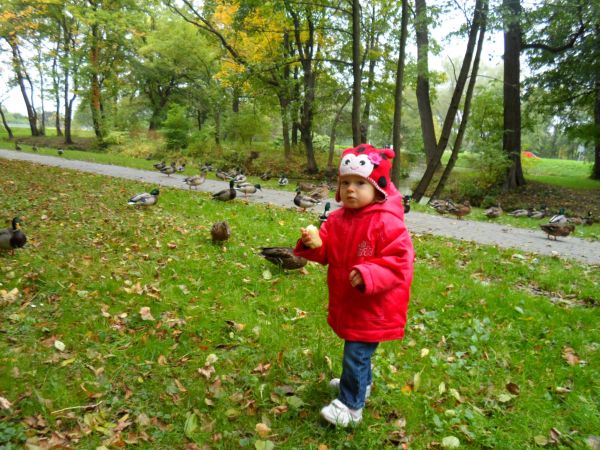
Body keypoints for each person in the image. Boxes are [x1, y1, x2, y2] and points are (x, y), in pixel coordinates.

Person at [294, 144, 415, 427]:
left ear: (378, 188)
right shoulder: (336, 220)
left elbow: (400, 261)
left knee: (356, 354)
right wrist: (315, 245)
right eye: (345, 182)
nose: (351, 189)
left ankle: (350, 406)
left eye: (361, 183)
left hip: (374, 305)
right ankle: (362, 384)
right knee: (356, 352)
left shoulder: (387, 222)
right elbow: (327, 253)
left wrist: (370, 273)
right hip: (349, 301)